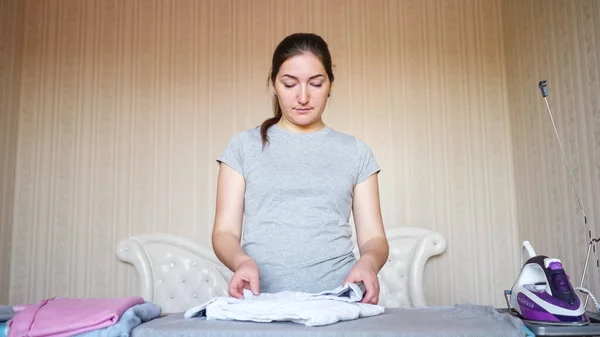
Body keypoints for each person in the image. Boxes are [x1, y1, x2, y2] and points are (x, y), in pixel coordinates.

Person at [211, 32, 389, 305]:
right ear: (274, 84)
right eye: (289, 84)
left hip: (339, 299)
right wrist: (241, 262)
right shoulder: (242, 147)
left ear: (330, 84)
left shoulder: (356, 152)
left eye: (316, 84)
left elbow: (374, 238)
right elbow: (225, 232)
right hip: (262, 300)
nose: (303, 96)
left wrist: (369, 263)